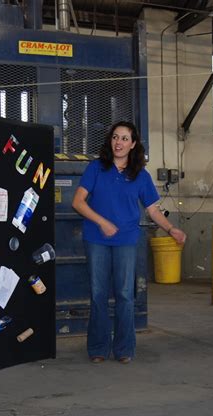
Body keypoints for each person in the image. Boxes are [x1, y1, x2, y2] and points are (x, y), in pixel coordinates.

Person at [72, 121, 186, 364]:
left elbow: (153, 210)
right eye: (115, 137)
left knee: (125, 294)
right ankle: (98, 348)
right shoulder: (96, 168)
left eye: (124, 138)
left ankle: (124, 348)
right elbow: (78, 203)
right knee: (98, 294)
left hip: (126, 240)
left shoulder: (140, 176)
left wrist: (171, 228)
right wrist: (102, 222)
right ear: (110, 140)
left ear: (133, 144)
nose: (119, 143)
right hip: (96, 239)